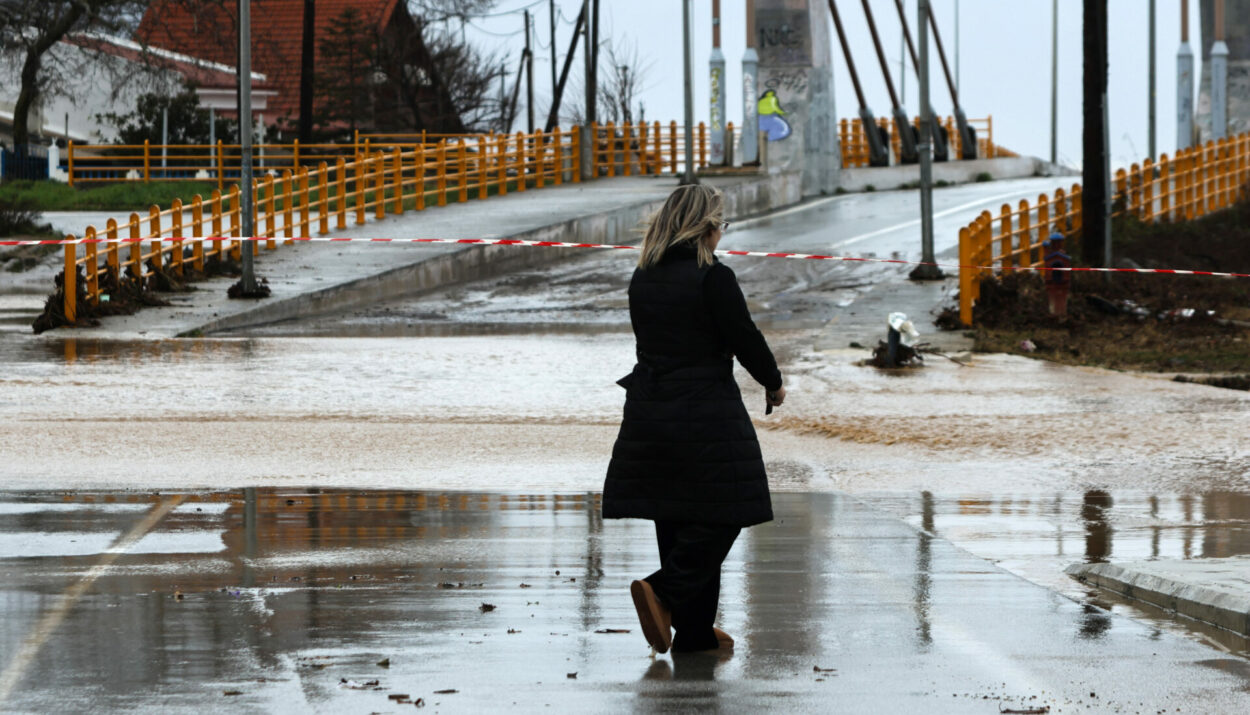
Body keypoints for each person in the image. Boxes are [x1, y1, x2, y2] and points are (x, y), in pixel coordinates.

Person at [603, 184, 786, 655]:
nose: (721, 235)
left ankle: (694, 632)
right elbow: (743, 335)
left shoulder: (643, 274)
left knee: (677, 512)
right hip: (705, 406)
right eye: (720, 226)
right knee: (729, 507)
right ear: (706, 227)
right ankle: (663, 591)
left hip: (650, 406)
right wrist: (773, 381)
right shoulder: (713, 277)